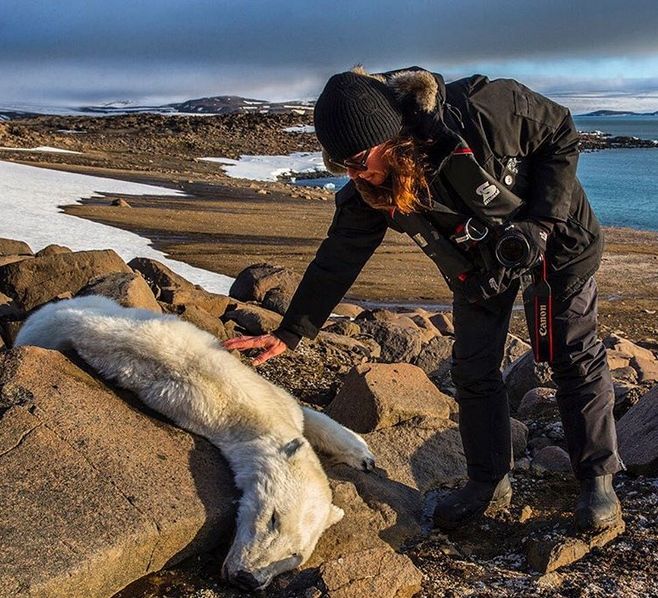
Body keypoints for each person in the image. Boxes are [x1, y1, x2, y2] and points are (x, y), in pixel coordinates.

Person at [224, 65, 623, 532]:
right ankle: (488, 479)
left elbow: (560, 130)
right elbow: (338, 258)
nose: (356, 175)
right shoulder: (370, 189)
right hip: (479, 264)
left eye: (359, 159)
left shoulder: (484, 109)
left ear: (393, 138)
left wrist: (539, 224)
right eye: (344, 166)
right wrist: (291, 332)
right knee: (473, 367)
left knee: (571, 354)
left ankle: (598, 480)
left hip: (557, 238)